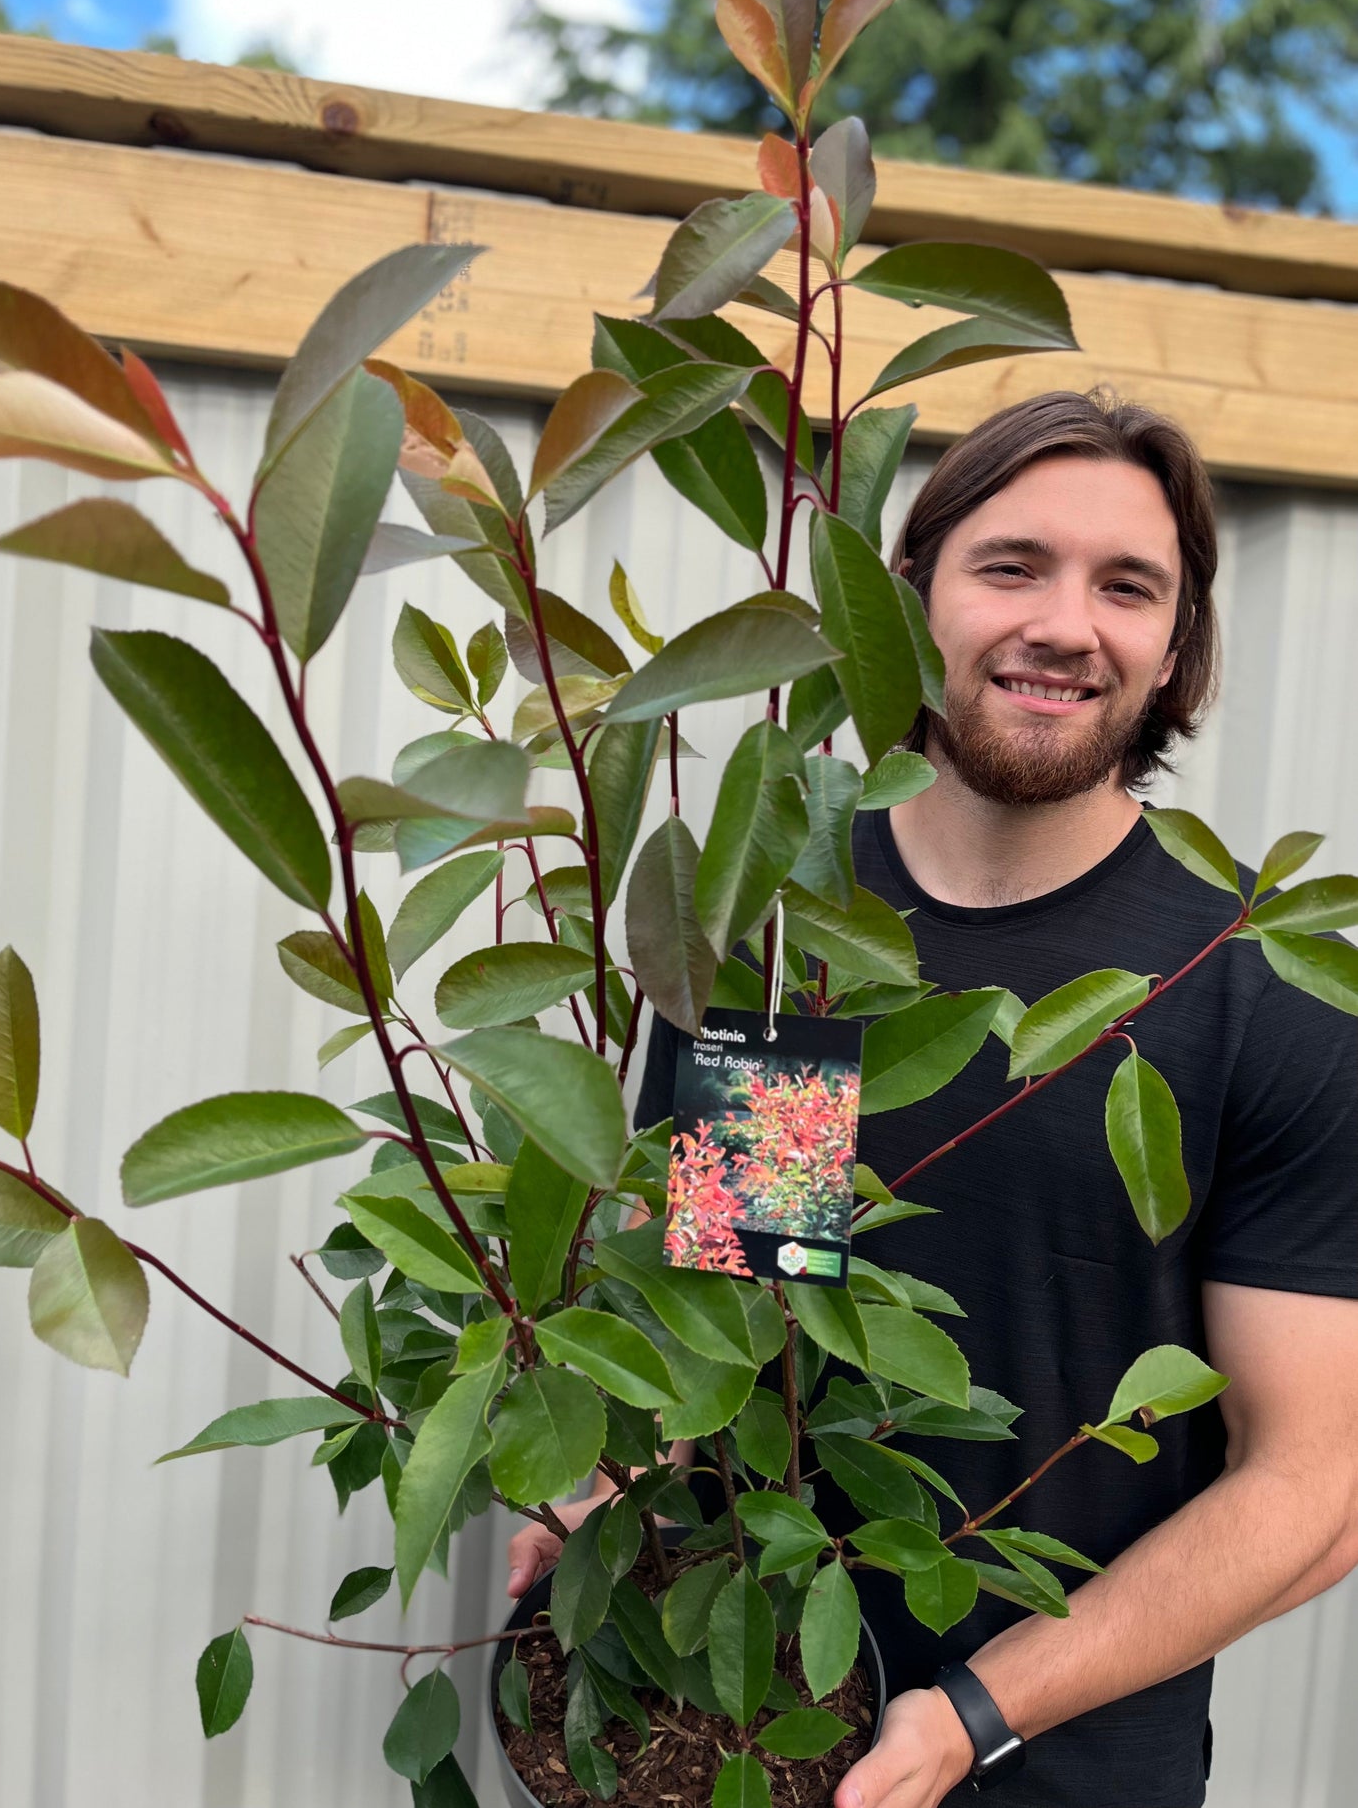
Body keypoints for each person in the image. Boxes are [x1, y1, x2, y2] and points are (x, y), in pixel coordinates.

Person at [507, 389, 1358, 1807]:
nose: (1064, 624)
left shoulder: (1255, 987)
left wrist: (971, 1712)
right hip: (727, 1729)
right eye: (1009, 564)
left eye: (1125, 586)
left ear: (1174, 646)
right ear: (902, 607)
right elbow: (736, 1302)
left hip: (1056, 1771)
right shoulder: (787, 926)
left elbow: (1308, 1491)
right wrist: (607, 1494)